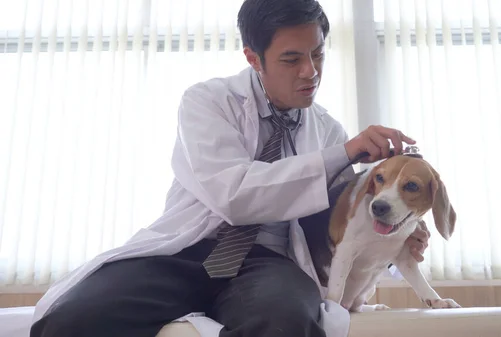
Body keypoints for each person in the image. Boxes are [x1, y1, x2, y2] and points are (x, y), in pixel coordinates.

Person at [29, 0, 430, 336]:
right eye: (291, 59)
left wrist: (398, 230)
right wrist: (342, 153)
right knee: (72, 320)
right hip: (188, 250)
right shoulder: (208, 102)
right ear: (253, 58)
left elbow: (345, 224)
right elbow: (235, 196)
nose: (310, 71)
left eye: (318, 53)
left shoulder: (328, 131)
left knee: (286, 318)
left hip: (269, 261)